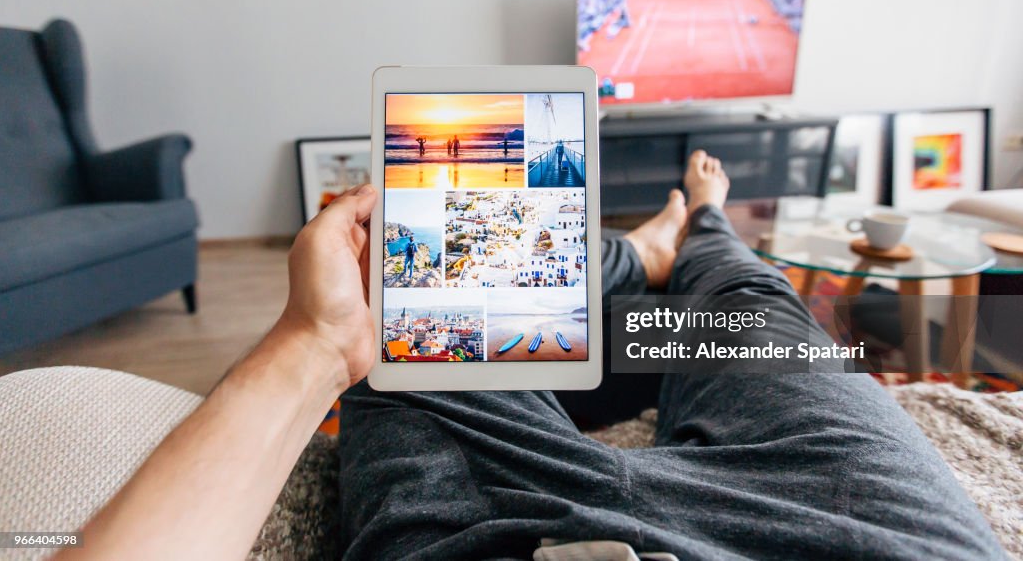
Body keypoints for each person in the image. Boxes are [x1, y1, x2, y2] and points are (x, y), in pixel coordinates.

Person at [58, 152, 1006, 560]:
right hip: (876, 538)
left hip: (509, 538)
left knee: (429, 312)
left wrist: (316, 340)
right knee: (751, 305)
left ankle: (650, 246)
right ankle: (693, 228)